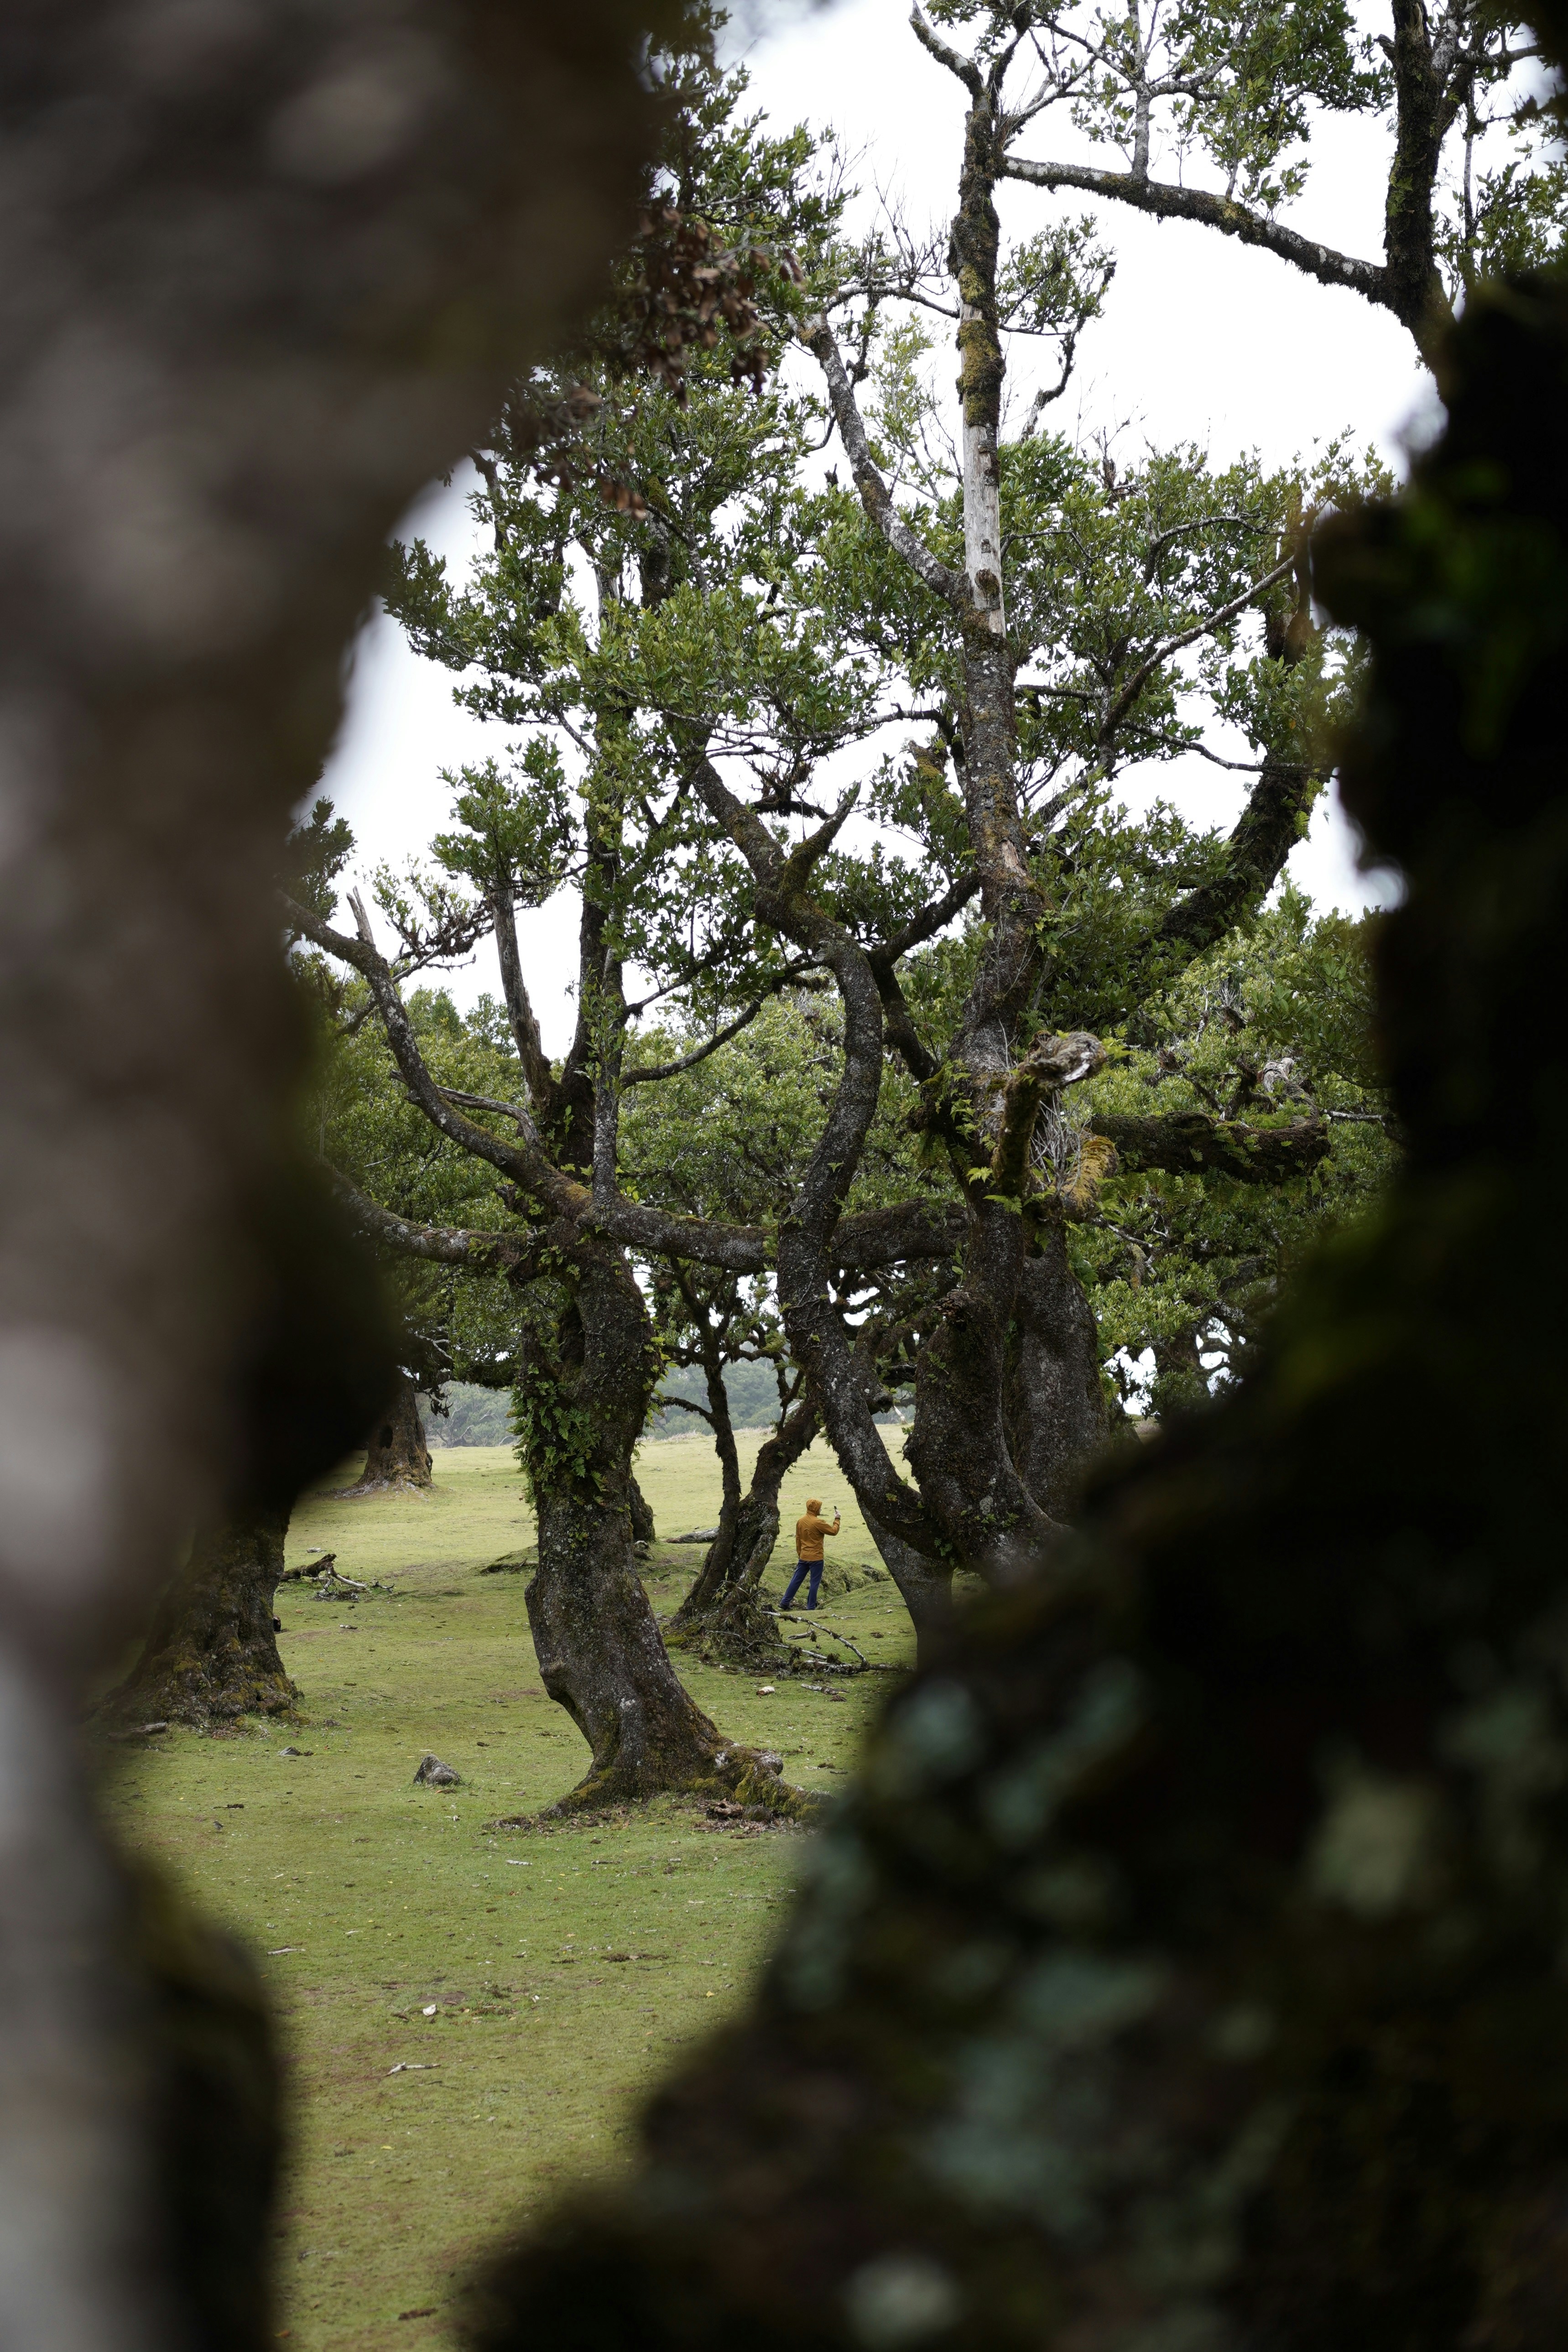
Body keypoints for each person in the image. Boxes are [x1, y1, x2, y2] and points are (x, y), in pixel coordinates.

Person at [781, 1497, 840, 1611]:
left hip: (804, 1556)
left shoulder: (800, 1521)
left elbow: (798, 1540)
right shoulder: (818, 1522)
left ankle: (785, 1602)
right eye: (820, 1508)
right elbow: (833, 1531)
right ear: (815, 1509)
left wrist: (800, 1554)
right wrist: (837, 1519)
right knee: (814, 1583)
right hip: (816, 1558)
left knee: (796, 1580)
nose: (821, 1510)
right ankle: (811, 1607)